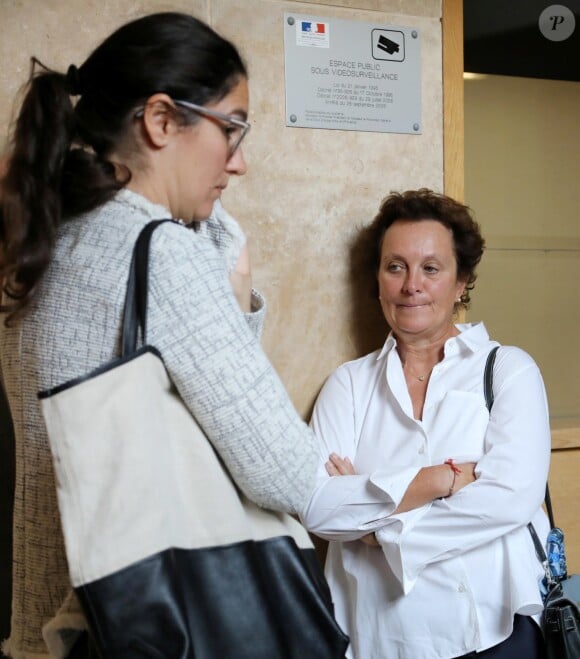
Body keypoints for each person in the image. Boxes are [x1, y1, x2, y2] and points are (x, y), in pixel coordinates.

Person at [0, 13, 322, 659]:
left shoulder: (45, 241)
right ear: (161, 120)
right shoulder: (160, 250)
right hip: (150, 626)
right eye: (232, 126)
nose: (240, 160)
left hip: (49, 624)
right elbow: (286, 472)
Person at [301, 189, 551, 659]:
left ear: (461, 283)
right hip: (379, 635)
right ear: (377, 280)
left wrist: (378, 530)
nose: (411, 284)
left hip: (495, 631)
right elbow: (316, 506)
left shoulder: (509, 370)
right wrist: (443, 479)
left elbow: (510, 498)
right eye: (395, 267)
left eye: (431, 268)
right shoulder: (348, 385)